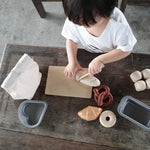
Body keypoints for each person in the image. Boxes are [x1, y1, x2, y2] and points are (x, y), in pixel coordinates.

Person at [61, 0, 137, 79]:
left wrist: (101, 59)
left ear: (106, 12)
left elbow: (126, 50)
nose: (82, 26)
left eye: (89, 23)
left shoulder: (119, 27)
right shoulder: (76, 15)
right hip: (89, 52)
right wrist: (72, 62)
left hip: (111, 55)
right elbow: (71, 39)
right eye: (78, 23)